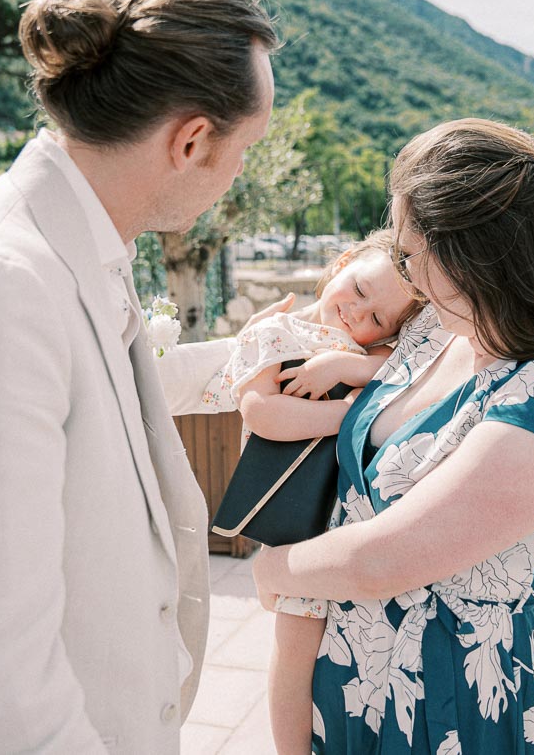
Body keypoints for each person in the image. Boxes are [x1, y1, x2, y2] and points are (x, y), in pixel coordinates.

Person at [0, 0, 278, 754]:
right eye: (246, 146)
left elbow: (119, 397)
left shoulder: (66, 247)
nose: (242, 169)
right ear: (192, 141)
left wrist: (261, 347)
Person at [252, 118, 534, 754]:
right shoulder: (434, 335)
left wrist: (274, 569)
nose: (404, 277)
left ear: (471, 254)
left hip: (451, 705)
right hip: (346, 681)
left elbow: (382, 559)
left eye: (411, 256)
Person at [201, 229, 424, 755]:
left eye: (377, 320)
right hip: (297, 520)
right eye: (361, 291)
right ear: (342, 262)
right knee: (296, 648)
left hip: (354, 525)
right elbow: (263, 414)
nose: (358, 317)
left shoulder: (373, 352)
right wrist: (356, 415)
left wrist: (350, 365)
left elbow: (415, 379)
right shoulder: (274, 333)